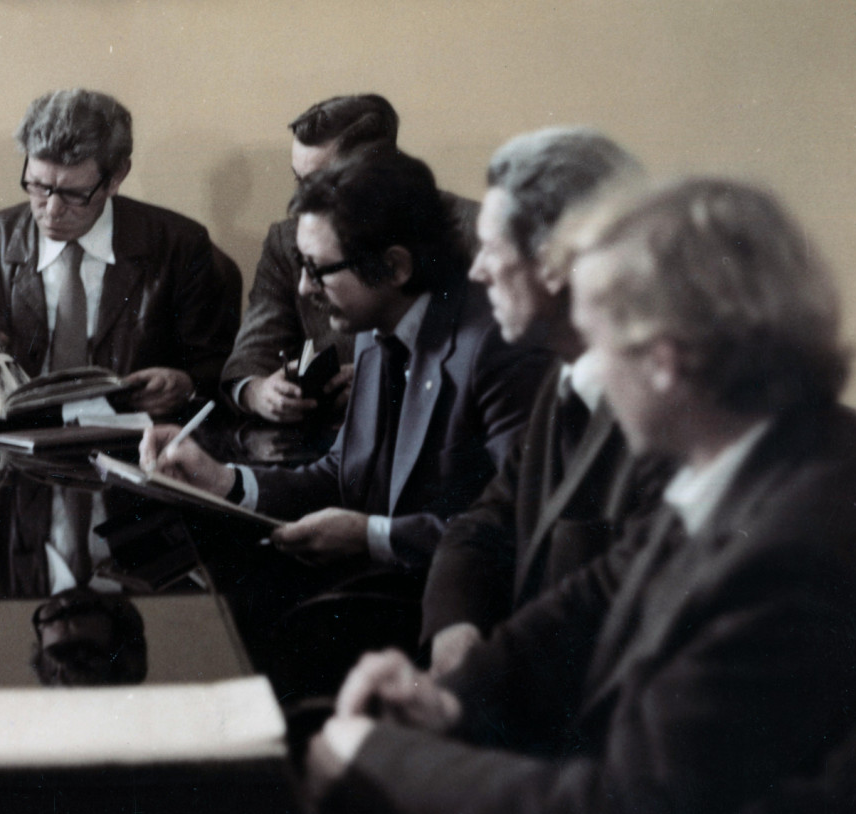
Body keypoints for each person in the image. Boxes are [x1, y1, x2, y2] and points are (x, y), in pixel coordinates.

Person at [307, 178, 856, 814]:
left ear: (666, 361)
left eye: (600, 343)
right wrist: (447, 702)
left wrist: (381, 758)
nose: (586, 372)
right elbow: (592, 600)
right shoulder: (758, 452)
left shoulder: (799, 540)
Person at [143, 150, 547, 594]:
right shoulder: (377, 322)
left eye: (317, 270)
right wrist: (223, 480)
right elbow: (346, 473)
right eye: (301, 266)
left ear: (395, 267)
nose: (303, 288)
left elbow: (522, 526)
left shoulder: (498, 346)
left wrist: (373, 537)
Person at [419, 128, 669, 675]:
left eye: (491, 248)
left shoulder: (669, 421)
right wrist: (454, 626)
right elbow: (486, 520)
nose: (477, 270)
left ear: (556, 263)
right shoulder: (566, 377)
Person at [0, 89, 235, 415]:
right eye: (38, 186)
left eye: (74, 194)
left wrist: (185, 384)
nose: (52, 210)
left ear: (117, 176)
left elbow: (217, 368)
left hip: (133, 434)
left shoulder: (180, 246)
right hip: (10, 432)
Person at [221, 94, 480, 425]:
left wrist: (384, 375)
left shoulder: (478, 232)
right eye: (300, 181)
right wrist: (257, 391)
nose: (302, 201)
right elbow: (251, 356)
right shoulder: (291, 240)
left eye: (322, 183)